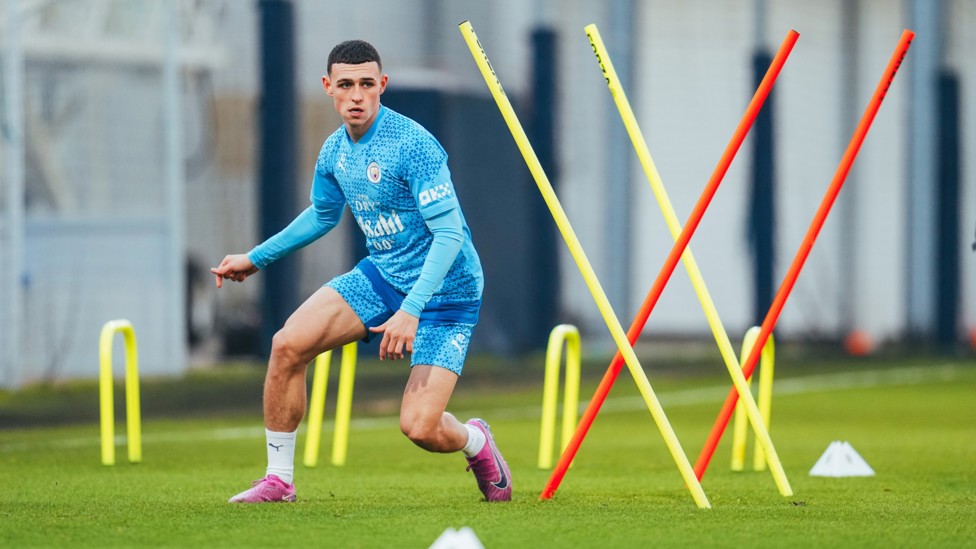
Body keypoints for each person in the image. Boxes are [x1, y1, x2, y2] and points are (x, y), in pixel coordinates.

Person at [211, 40, 511, 503]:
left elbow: (450, 237)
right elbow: (321, 215)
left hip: (446, 294)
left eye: (367, 84)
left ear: (382, 86)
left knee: (419, 427)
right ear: (328, 88)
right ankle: (278, 480)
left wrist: (412, 310)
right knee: (287, 345)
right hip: (382, 276)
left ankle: (476, 441)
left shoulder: (414, 145)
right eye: (346, 85)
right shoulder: (334, 152)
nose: (356, 95)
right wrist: (255, 258)